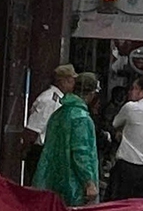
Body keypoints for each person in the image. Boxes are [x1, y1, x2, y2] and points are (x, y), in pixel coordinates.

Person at [35, 72, 101, 204]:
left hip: (52, 183)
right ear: (92, 94)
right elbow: (81, 153)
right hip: (74, 188)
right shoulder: (81, 118)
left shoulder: (59, 114)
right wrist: (89, 182)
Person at [23, 64, 77, 183]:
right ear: (63, 81)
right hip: (41, 151)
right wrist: (25, 151)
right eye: (71, 80)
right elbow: (33, 129)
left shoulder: (61, 99)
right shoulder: (49, 100)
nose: (73, 84)